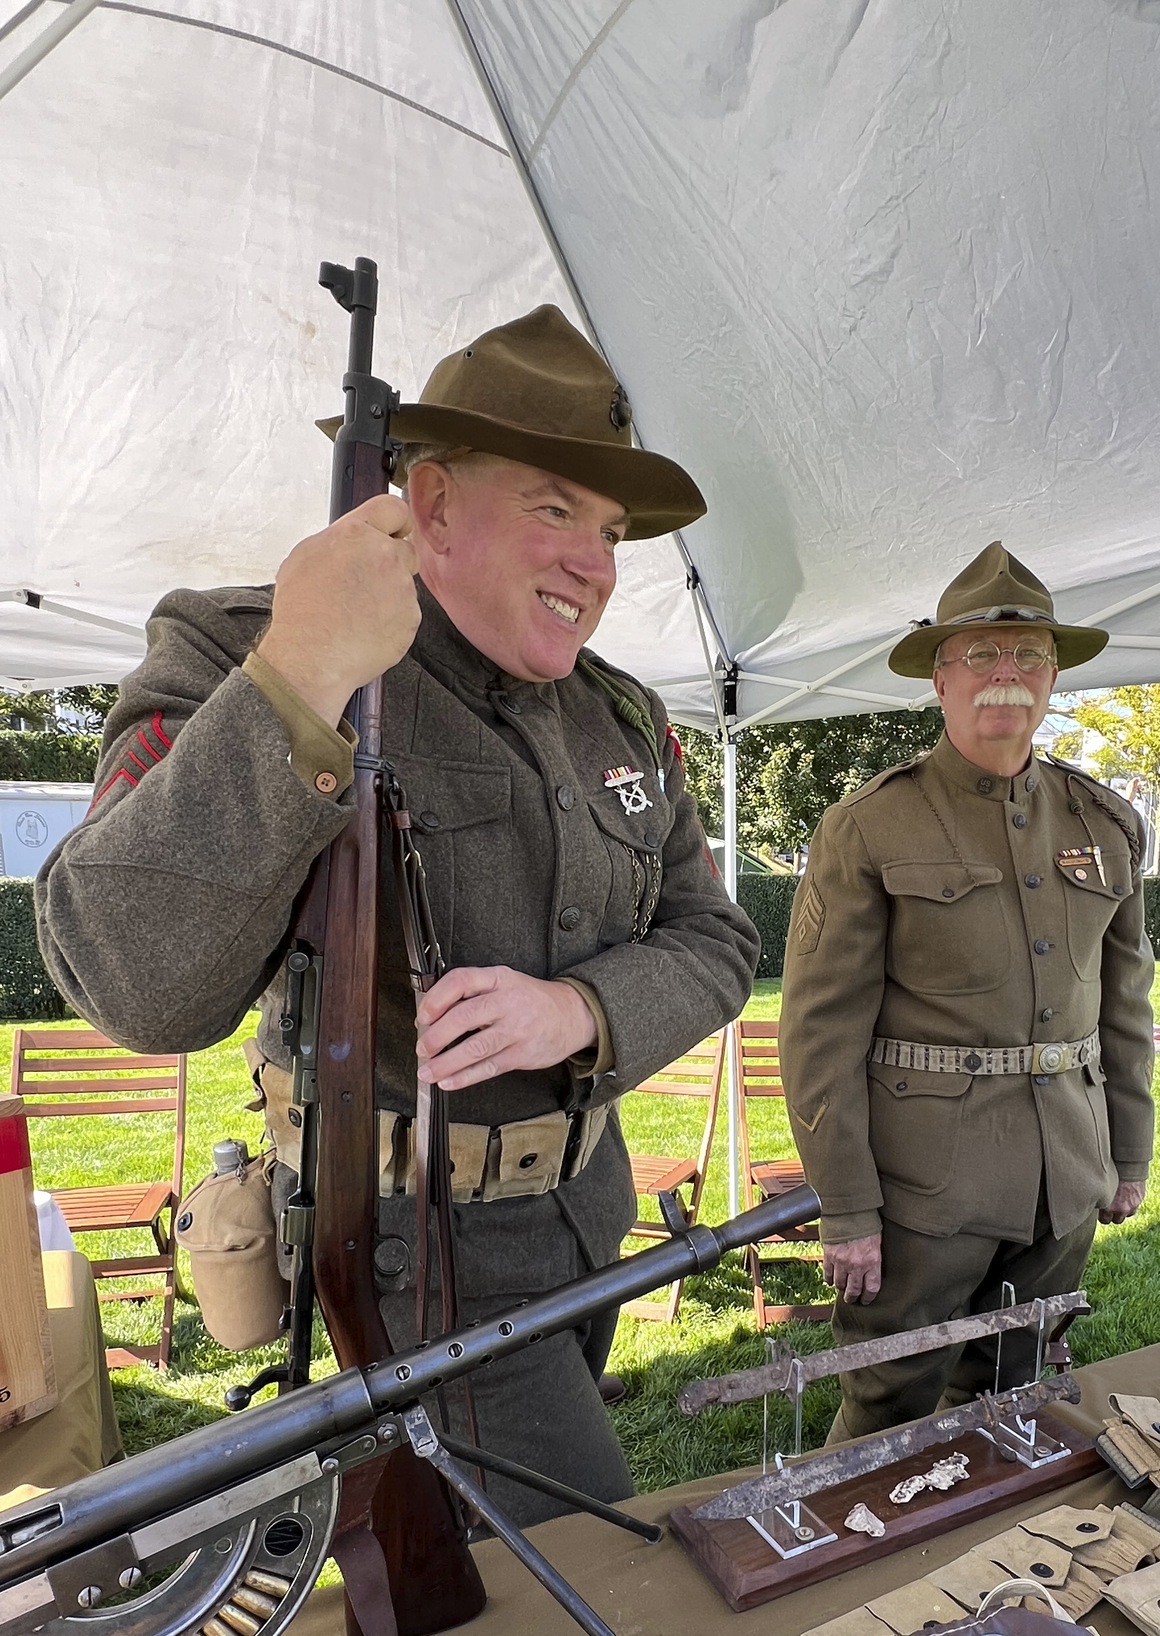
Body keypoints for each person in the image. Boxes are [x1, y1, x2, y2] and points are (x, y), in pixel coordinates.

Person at [35, 306, 760, 1523]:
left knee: (465, 1616)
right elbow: (125, 978)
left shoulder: (622, 719)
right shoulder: (245, 650)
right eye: (554, 508)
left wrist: (580, 1009)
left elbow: (718, 941)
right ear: (427, 505)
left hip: (584, 1222)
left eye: (611, 530)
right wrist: (299, 678)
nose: (597, 562)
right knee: (584, 1580)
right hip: (402, 1252)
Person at [779, 543, 1155, 1441]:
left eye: (1028, 655)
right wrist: (848, 1206)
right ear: (940, 678)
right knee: (888, 1403)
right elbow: (820, 1032)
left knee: (1016, 1391)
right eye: (981, 654)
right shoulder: (869, 824)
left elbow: (1125, 1002)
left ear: (1053, 676)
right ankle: (851, 1568)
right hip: (923, 1191)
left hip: (1063, 1174)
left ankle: (982, 1565)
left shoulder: (1104, 823)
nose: (1006, 673)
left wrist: (1127, 1156)